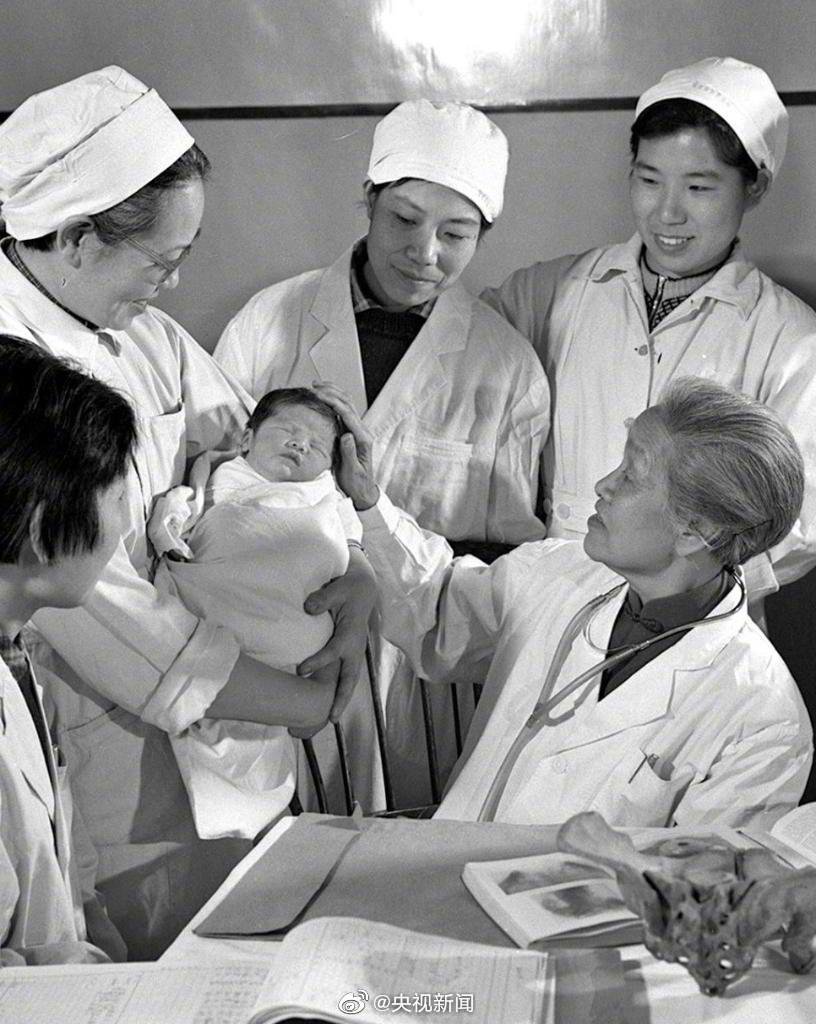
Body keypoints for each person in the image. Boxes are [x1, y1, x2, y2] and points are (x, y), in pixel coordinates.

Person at [0, 67, 376, 958]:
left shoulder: (142, 329)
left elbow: (260, 455)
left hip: (237, 726)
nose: (172, 284)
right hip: (117, 753)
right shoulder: (14, 376)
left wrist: (354, 564)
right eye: (160, 260)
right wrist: (303, 700)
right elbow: (94, 602)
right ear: (78, 239)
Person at [215, 99, 551, 806]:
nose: (425, 253)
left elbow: (508, 558)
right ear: (368, 199)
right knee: (281, 835)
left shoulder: (506, 366)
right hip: (281, 642)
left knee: (410, 831)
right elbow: (220, 486)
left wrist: (387, 566)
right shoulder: (269, 323)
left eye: (456, 233)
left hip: (418, 675)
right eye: (404, 219)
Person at [331, 376, 812, 828]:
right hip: (443, 863)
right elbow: (434, 610)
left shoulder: (762, 719)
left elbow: (700, 881)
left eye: (631, 475)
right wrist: (368, 501)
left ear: (696, 531)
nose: (604, 485)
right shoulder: (557, 571)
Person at [482, 57, 816, 606]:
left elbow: (800, 522)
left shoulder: (792, 342)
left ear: (754, 187)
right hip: (547, 596)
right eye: (649, 180)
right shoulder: (546, 292)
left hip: (694, 619)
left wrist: (684, 586)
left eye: (699, 187)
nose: (667, 213)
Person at [153, 388, 362, 832]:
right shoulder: (219, 477)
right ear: (247, 439)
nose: (300, 444)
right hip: (218, 605)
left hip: (291, 620)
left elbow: (343, 541)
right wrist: (173, 534)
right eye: (288, 430)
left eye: (316, 446)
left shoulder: (322, 496)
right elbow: (180, 514)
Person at [0, 334, 136, 965]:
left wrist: (85, 920)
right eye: (117, 497)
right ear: (42, 532)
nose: (125, 525)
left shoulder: (17, 653)